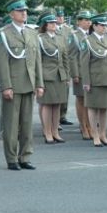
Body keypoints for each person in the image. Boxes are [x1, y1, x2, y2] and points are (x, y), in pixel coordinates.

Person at [0, 0, 44, 171]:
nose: (24, 14)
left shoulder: (31, 33)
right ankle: (11, 158)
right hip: (13, 85)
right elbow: (1, 62)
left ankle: (25, 156)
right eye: (20, 11)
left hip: (29, 83)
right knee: (11, 124)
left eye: (25, 11)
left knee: (26, 123)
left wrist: (39, 83)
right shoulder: (4, 34)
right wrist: (6, 86)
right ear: (11, 13)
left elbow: (36, 60)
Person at [80, 13, 107, 147]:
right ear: (95, 26)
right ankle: (95, 134)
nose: (104, 28)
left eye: (105, 25)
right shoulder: (87, 41)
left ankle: (103, 134)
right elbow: (84, 63)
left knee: (104, 108)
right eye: (101, 25)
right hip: (95, 79)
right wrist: (86, 81)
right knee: (93, 107)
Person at [37, 10, 70, 144]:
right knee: (47, 105)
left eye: (54, 22)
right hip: (47, 75)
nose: (54, 24)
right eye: (50, 22)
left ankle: (55, 131)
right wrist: (38, 80)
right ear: (45, 24)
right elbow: (37, 60)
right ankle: (47, 132)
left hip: (59, 75)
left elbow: (65, 58)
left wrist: (67, 76)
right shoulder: (39, 38)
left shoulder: (60, 37)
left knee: (57, 105)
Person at [68, 10, 93, 140]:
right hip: (80, 72)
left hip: (91, 72)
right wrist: (75, 74)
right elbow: (72, 56)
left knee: (90, 101)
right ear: (78, 21)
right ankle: (83, 126)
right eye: (84, 19)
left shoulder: (92, 34)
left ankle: (90, 125)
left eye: (89, 19)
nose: (88, 21)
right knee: (81, 100)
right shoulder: (75, 36)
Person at [55, 7, 73, 127]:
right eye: (58, 16)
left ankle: (63, 115)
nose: (60, 18)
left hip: (66, 63)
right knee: (56, 93)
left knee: (65, 92)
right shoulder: (51, 29)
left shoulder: (68, 30)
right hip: (56, 64)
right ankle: (55, 119)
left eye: (61, 16)